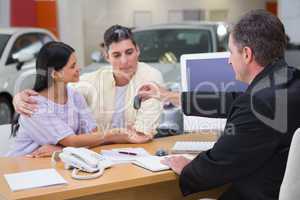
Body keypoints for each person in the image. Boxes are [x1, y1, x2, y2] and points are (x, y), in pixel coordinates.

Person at [138, 9, 300, 199]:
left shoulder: (257, 103)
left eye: (230, 52)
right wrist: (170, 96)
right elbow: (236, 100)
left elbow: (216, 167)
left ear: (247, 54)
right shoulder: (290, 81)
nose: (229, 60)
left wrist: (188, 167)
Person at [13, 25, 164, 156]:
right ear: (107, 56)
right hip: (28, 165)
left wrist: (62, 149)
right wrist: (18, 97)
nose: (124, 61)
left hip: (120, 154)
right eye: (116, 55)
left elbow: (142, 133)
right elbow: (52, 93)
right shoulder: (89, 82)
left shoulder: (151, 78)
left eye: (129, 52)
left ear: (138, 50)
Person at [7, 42, 106, 156]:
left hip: (54, 165)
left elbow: (93, 136)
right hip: (21, 167)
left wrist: (61, 149)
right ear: (55, 74)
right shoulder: (34, 105)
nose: (79, 68)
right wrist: (111, 135)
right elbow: (72, 141)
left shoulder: (75, 96)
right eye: (72, 66)